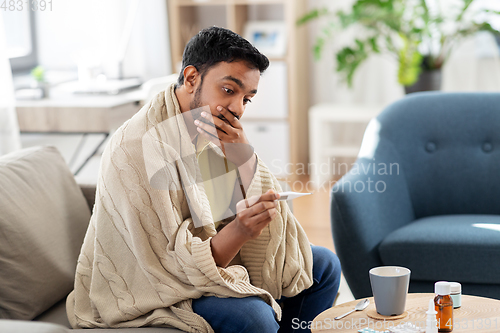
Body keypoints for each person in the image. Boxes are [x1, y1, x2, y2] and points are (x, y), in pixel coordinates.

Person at [66, 26, 341, 333]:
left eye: (247, 98)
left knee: (325, 265)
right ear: (192, 77)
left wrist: (243, 158)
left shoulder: (206, 124)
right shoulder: (138, 148)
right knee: (253, 318)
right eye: (228, 90)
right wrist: (239, 229)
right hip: (152, 284)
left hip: (206, 260)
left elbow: (226, 207)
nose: (237, 108)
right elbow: (166, 265)